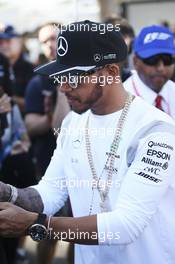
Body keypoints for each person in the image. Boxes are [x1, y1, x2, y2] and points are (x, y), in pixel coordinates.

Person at [0, 20, 175, 264]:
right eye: (59, 77)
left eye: (73, 77)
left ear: (111, 73)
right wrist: (8, 193)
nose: (62, 87)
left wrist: (37, 224)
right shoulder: (73, 123)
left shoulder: (155, 130)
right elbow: (50, 192)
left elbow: (127, 224)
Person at [25, 22, 70, 264]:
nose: (51, 45)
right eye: (45, 41)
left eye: (56, 38)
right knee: (47, 230)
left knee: (78, 231)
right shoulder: (38, 82)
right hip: (47, 164)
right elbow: (32, 127)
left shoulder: (87, 74)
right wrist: (50, 115)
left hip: (85, 166)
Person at [124, 25, 175, 118]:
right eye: (152, 59)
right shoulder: (120, 101)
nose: (161, 68)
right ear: (135, 61)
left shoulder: (173, 91)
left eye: (167, 59)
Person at [0, 24, 34, 115]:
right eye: (0, 42)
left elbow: (35, 104)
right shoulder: (2, 67)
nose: (4, 45)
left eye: (8, 40)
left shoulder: (31, 69)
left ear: (19, 42)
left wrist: (8, 98)